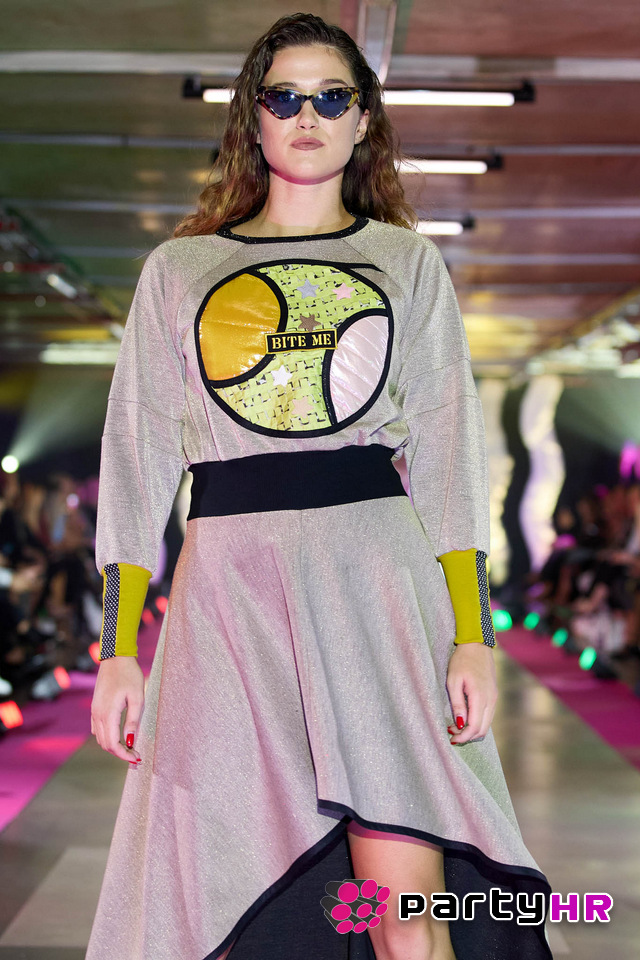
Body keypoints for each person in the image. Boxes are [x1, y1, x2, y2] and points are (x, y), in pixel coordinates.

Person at [87, 13, 553, 960]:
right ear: (253, 117)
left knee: (405, 913)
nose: (308, 116)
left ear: (363, 120)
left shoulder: (407, 263)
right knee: (222, 901)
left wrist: (473, 633)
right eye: (285, 97)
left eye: (332, 98)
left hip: (375, 586)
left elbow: (449, 455)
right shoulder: (179, 272)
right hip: (229, 603)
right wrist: (117, 648)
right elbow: (136, 463)